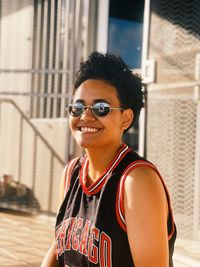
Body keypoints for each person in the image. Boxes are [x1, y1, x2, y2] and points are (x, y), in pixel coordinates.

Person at [41, 51, 176, 267]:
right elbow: (57, 247)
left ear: (126, 118)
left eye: (100, 108)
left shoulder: (136, 181)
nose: (85, 116)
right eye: (77, 107)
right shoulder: (71, 173)